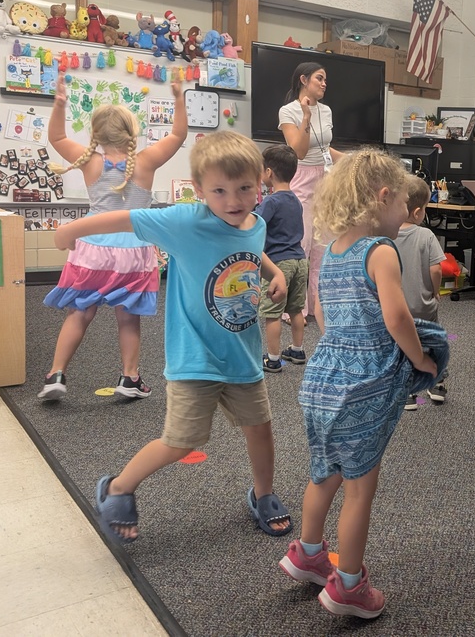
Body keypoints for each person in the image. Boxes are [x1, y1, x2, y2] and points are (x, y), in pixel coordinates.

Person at [54, 131, 292, 543]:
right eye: (219, 191)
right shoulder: (185, 221)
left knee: (261, 430)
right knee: (180, 442)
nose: (233, 200)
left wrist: (276, 273)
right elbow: (126, 218)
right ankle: (118, 487)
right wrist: (72, 231)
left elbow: (253, 247)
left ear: (261, 184)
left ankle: (264, 494)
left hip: (243, 357)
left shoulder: (256, 221)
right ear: (199, 189)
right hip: (194, 358)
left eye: (244, 189)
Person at [277, 149, 445, 619]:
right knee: (359, 489)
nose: (403, 218)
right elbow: (396, 317)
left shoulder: (331, 252)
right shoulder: (380, 250)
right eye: (402, 206)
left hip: (322, 379)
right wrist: (423, 362)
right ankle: (349, 584)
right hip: (362, 386)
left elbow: (325, 316)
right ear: (384, 197)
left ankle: (309, 554)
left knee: (323, 471)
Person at [39, 76, 187, 401]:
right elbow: (178, 134)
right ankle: (130, 379)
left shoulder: (90, 161)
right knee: (128, 318)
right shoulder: (146, 161)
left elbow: (57, 136)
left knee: (79, 312)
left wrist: (60, 103)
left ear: (96, 135)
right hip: (134, 250)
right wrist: (178, 97)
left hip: (91, 248)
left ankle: (56, 374)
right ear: (132, 133)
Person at [279, 62, 341, 317]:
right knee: (301, 246)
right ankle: (293, 309)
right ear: (303, 80)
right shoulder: (288, 111)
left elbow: (325, 149)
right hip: (301, 178)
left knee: (322, 246)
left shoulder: (326, 111)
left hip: (324, 180)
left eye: (325, 79)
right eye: (319, 78)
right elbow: (299, 150)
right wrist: (305, 117)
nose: (324, 83)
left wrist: (351, 159)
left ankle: (316, 306)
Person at [395, 174, 448, 410]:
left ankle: (407, 392)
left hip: (396, 308)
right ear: (417, 212)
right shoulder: (426, 235)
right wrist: (435, 292)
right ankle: (436, 385)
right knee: (433, 341)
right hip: (423, 305)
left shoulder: (387, 234)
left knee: (401, 345)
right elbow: (436, 269)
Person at [255, 144, 309, 373]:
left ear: (269, 172)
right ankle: (297, 350)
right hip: (300, 260)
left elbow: (254, 224)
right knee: (296, 309)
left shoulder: (271, 201)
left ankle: (273, 358)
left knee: (272, 313)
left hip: (279, 262)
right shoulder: (295, 200)